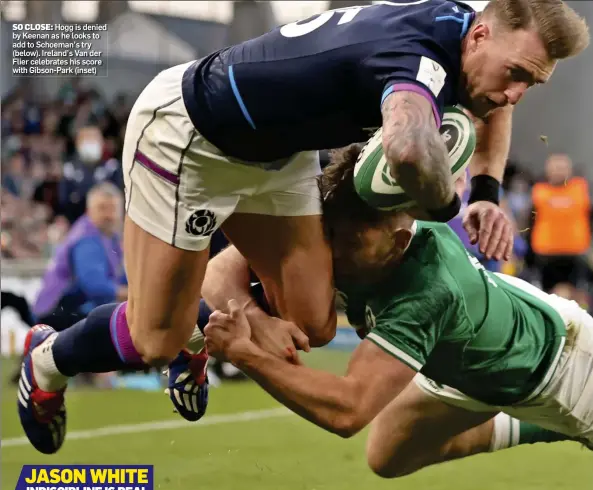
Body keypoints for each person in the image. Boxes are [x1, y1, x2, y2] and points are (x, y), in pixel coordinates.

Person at [18, 0, 589, 455]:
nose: (515, 91)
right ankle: (48, 360)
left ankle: (199, 329)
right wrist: (447, 206)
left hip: (279, 154)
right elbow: (410, 147)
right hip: (192, 135)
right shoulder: (419, 61)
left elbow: (495, 103)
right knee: (152, 339)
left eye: (530, 82)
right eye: (516, 73)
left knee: (311, 321)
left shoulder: (466, 31)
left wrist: (487, 192)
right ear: (483, 37)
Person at [201, 145, 592, 481]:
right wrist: (257, 319)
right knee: (388, 455)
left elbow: (348, 410)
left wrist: (245, 354)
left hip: (564, 363)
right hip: (472, 362)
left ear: (400, 240)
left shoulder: (427, 289)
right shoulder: (339, 221)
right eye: (331, 236)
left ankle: (560, 421)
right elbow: (218, 271)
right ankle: (538, 423)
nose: (334, 254)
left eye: (352, 243)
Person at [32, 182, 128, 331]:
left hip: (73, 309)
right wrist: (134, 295)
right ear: (88, 210)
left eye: (113, 209)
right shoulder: (86, 237)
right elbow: (94, 285)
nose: (109, 215)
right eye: (102, 208)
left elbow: (120, 276)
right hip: (56, 313)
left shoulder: (110, 237)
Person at [530, 153, 591, 305]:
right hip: (546, 254)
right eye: (555, 167)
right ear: (548, 170)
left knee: (578, 297)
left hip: (575, 253)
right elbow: (530, 222)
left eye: (563, 168)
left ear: (570, 170)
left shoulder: (581, 189)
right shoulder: (539, 191)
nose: (559, 171)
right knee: (548, 298)